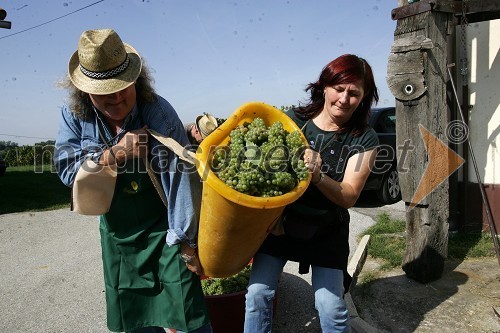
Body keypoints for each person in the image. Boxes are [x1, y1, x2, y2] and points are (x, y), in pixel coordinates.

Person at [53, 29, 212, 333]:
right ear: (86, 92)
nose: (116, 97)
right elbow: (67, 171)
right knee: (135, 321)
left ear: (135, 81)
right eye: (104, 92)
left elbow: (181, 182)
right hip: (119, 237)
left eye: (123, 88)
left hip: (166, 231)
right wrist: (114, 155)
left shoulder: (158, 111)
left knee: (190, 319)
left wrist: (189, 245)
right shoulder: (74, 115)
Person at [244, 54, 380, 332]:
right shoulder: (295, 120)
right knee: (257, 295)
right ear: (324, 87)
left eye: (354, 93)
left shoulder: (364, 138)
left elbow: (349, 195)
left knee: (330, 307)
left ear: (364, 97)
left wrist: (317, 176)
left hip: (326, 230)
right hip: (281, 224)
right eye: (339, 89)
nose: (344, 98)